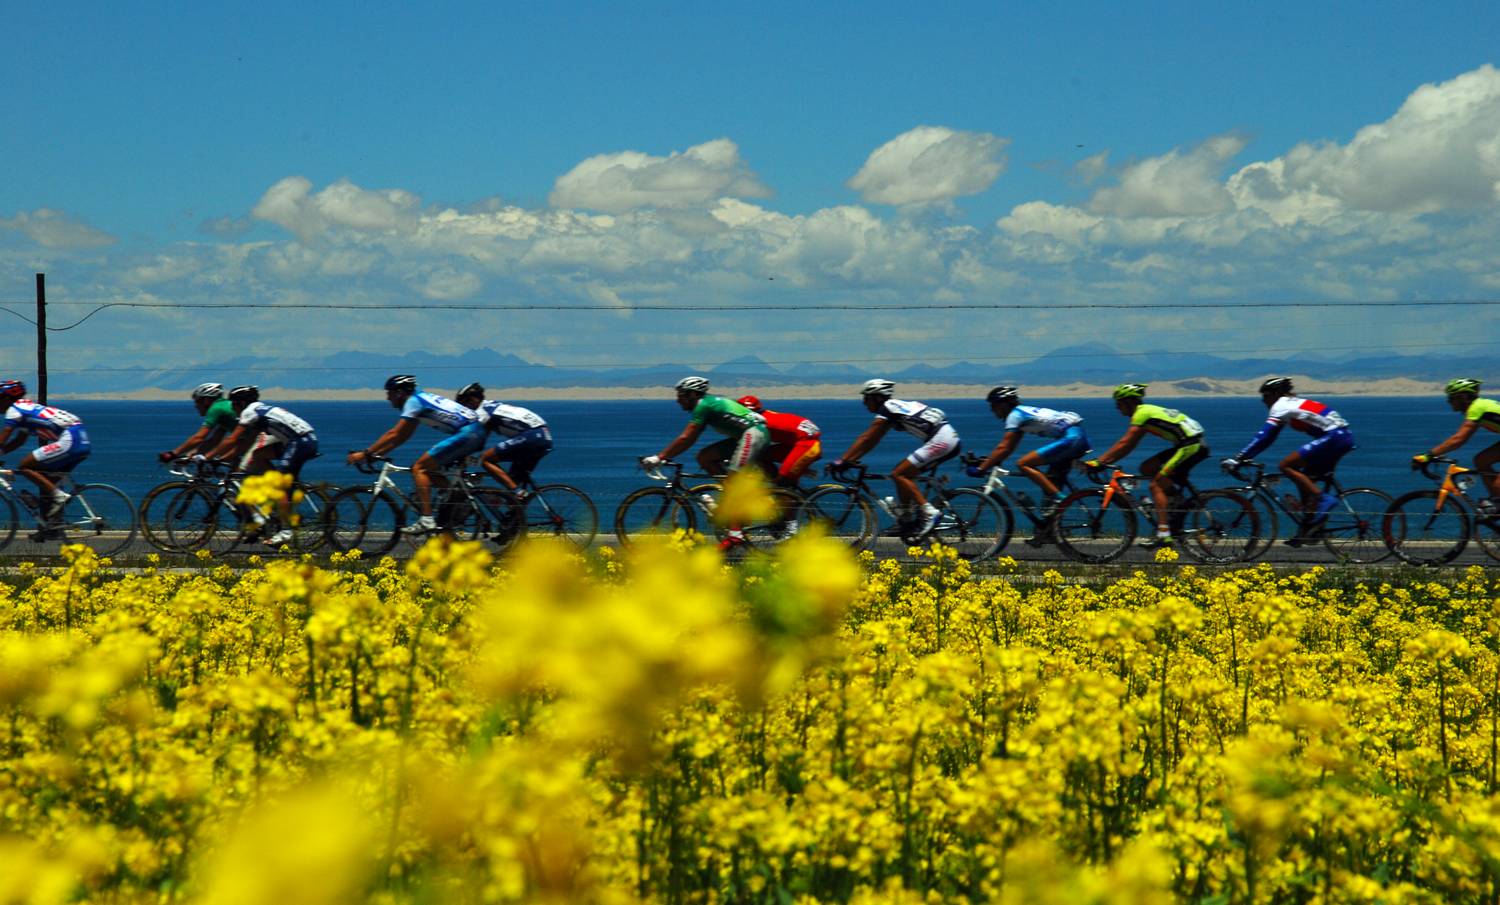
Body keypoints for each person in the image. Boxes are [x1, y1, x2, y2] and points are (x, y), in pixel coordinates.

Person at [347, 375, 484, 535]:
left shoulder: (413, 401)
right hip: (474, 432)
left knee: (420, 468)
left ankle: (427, 519)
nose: (388, 398)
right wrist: (376, 454)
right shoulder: (419, 399)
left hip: (468, 434)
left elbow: (394, 433)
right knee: (424, 468)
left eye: (389, 393)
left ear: (399, 393)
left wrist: (365, 454)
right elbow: (401, 437)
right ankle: (457, 501)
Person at [642, 376, 769, 549]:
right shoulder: (706, 405)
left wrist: (659, 457)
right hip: (744, 436)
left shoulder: (704, 406)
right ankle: (735, 508)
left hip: (753, 434)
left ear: (693, 394)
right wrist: (664, 456)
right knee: (704, 457)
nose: (678, 400)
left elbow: (686, 437)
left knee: (733, 481)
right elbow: (690, 440)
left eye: (681, 395)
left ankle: (735, 534)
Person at [1222, 377, 1354, 540]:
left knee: (1286, 466)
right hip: (1342, 437)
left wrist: (1239, 458)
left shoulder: (1281, 405)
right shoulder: (1294, 403)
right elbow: (1271, 437)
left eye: (1266, 395)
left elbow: (1265, 436)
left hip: (1334, 437)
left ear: (1276, 394)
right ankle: (1310, 527)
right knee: (1305, 478)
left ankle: (1323, 499)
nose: (1263, 400)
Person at [1085, 384, 1208, 550]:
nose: (1117, 408)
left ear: (1129, 402)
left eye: (1119, 403)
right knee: (1147, 468)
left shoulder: (1141, 414)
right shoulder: (1145, 412)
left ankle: (1163, 534)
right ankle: (1177, 502)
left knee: (1155, 485)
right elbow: (1129, 446)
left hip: (1190, 446)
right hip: (1189, 444)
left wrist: (1100, 462)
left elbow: (1124, 442)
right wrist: (1106, 461)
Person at [831, 379, 960, 536]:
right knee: (902, 475)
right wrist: (850, 459)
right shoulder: (895, 408)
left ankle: (930, 513)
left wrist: (843, 460)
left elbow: (866, 438)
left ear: (877, 398)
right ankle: (906, 520)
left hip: (941, 440)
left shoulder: (888, 408)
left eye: (866, 398)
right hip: (947, 438)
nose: (864, 403)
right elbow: (873, 441)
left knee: (899, 474)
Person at [208, 386, 320, 545]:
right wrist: (221, 459)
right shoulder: (259, 410)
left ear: (241, 403)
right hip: (302, 440)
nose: (232, 409)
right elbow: (244, 444)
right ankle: (280, 502)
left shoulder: (249, 412)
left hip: (299, 442)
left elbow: (232, 439)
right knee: (258, 454)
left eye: (233, 405)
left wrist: (207, 457)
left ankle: (286, 530)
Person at [967, 386, 1089, 519]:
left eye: (993, 405)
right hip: (1078, 438)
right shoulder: (1022, 412)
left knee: (1023, 464)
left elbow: (1004, 448)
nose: (992, 410)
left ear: (1003, 405)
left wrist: (980, 469)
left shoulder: (1014, 415)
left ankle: (1061, 500)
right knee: (1050, 481)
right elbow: (1009, 448)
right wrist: (992, 461)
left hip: (1071, 440)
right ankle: (1050, 525)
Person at [0, 380, 90, 539]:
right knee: (49, 483)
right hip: (80, 438)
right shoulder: (25, 407)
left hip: (70, 438)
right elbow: (19, 441)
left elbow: (4, 438)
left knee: (25, 466)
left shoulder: (14, 410)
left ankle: (60, 497)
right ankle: (52, 528)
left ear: (6, 398)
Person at [1413, 377, 1500, 517]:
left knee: (1487, 467)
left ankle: (1497, 502)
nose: (1449, 401)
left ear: (1463, 397)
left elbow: (1458, 439)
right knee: (1481, 460)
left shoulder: (1476, 408)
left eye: (1451, 397)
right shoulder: (1480, 405)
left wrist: (1429, 455)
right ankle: (1496, 502)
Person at [454, 382, 552, 494]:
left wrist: (456, 454)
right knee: (512, 482)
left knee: (485, 459)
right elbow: (480, 440)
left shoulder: (482, 412)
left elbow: (471, 437)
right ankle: (518, 500)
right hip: (543, 436)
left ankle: (518, 492)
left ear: (472, 400)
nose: (464, 409)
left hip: (532, 435)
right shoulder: (492, 406)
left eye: (463, 404)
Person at [734, 395, 821, 487]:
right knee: (762, 456)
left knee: (784, 478)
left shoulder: (757, 422)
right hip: (802, 440)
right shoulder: (765, 414)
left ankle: (782, 488)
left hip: (806, 444)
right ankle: (778, 485)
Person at [159, 383, 238, 463]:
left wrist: (173, 454)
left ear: (206, 400)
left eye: (197, 401)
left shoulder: (216, 408)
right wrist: (192, 454)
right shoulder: (224, 407)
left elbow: (199, 437)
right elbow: (213, 440)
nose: (195, 405)